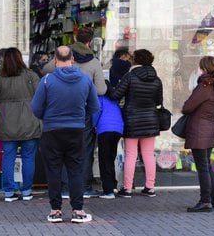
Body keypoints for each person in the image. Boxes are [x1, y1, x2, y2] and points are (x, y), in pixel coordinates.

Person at [31, 45, 99, 223]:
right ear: (72, 59)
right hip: (76, 131)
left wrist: (48, 117)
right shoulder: (85, 79)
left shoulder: (47, 80)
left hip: (52, 131)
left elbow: (35, 108)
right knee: (76, 170)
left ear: (55, 60)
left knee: (53, 171)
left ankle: (55, 211)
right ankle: (78, 211)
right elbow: (94, 106)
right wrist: (80, 117)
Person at [42, 27, 106, 198]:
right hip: (82, 111)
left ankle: (63, 188)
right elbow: (101, 90)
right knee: (82, 151)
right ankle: (84, 187)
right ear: (90, 42)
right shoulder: (94, 62)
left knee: (60, 152)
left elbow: (45, 70)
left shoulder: (65, 57)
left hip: (58, 109)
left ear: (75, 38)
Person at [0, 47, 42, 202]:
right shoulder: (31, 75)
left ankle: (9, 192)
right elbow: (41, 96)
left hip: (6, 122)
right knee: (28, 157)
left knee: (8, 157)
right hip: (29, 121)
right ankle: (26, 191)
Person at [107, 49, 163, 198]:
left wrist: (107, 85)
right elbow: (158, 101)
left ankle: (127, 188)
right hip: (151, 120)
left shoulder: (130, 76)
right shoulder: (156, 79)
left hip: (132, 119)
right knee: (149, 154)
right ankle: (150, 187)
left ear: (136, 60)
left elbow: (115, 95)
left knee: (131, 154)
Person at [183, 56, 214, 212]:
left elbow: (187, 107)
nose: (198, 70)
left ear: (204, 69)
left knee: (202, 167)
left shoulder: (204, 86)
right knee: (206, 166)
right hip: (210, 129)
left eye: (200, 67)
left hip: (199, 130)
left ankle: (205, 201)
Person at [92, 92, 124, 199]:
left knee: (104, 160)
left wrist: (92, 125)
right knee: (111, 158)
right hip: (118, 129)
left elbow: (96, 112)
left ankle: (108, 191)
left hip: (105, 129)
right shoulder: (114, 99)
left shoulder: (99, 98)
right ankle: (113, 185)